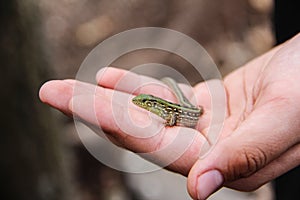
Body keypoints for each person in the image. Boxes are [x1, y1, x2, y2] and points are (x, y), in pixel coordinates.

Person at [39, 32, 300, 199]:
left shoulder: (169, 111)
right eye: (143, 103)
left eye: (144, 102)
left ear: (152, 103)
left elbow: (176, 118)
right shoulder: (163, 108)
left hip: (193, 112)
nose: (141, 104)